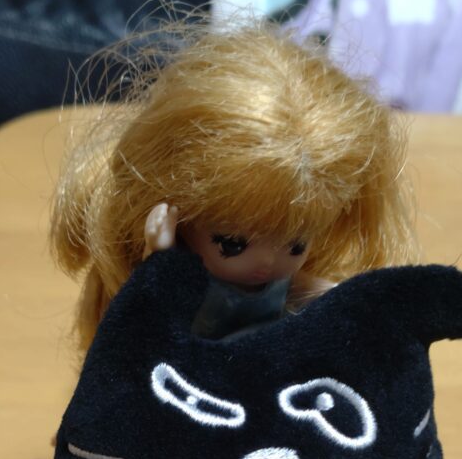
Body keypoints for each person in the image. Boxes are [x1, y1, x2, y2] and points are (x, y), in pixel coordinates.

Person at [50, 18, 418, 353]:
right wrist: (160, 253)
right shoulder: (189, 285)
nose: (267, 264)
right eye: (232, 244)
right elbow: (155, 303)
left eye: (296, 245)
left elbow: (314, 291)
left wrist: (348, 297)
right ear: (183, 219)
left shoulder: (281, 284)